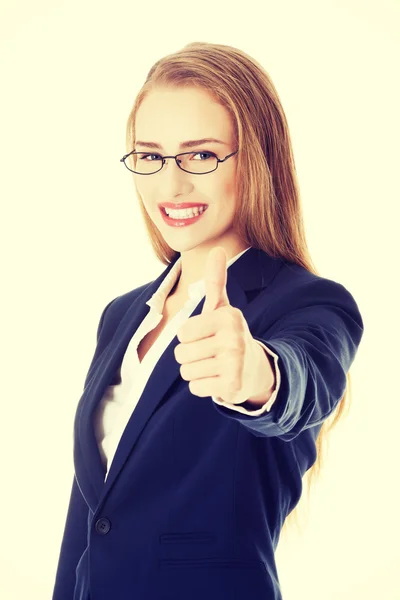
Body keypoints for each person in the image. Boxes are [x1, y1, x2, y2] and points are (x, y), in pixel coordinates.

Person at [52, 42, 364, 600]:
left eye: (200, 156)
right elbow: (92, 516)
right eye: (149, 156)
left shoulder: (309, 304)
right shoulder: (122, 314)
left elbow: (302, 382)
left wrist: (258, 378)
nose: (170, 186)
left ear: (258, 159)